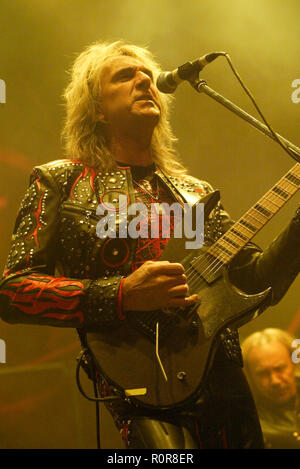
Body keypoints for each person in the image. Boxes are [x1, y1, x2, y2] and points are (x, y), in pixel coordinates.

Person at [0, 40, 299, 449]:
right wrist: (121, 294)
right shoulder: (61, 182)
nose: (144, 79)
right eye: (125, 75)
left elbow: (252, 281)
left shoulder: (193, 194)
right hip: (137, 386)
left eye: (147, 74)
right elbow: (14, 292)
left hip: (222, 376)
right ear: (97, 109)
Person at [242, 328, 300, 449]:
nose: (275, 381)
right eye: (262, 374)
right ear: (250, 377)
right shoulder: (248, 426)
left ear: (293, 363)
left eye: (279, 368)